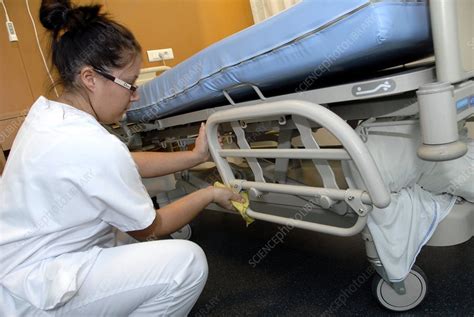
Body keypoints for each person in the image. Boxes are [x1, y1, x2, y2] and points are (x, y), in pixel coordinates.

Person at [0, 0, 242, 315]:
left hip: (15, 271)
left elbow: (123, 163)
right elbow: (154, 226)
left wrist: (194, 156)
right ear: (90, 78)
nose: (136, 95)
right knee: (187, 263)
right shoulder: (93, 144)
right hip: (31, 295)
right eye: (130, 84)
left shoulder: (47, 116)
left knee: (121, 234)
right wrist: (209, 193)